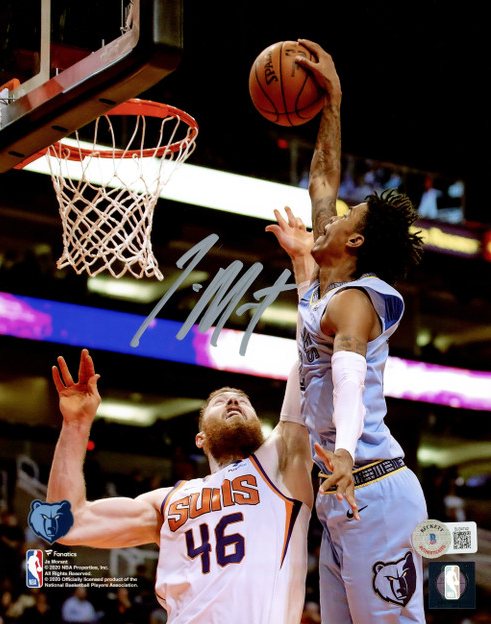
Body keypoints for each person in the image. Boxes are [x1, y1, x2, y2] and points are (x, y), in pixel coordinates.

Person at [267, 40, 428, 624]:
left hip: (371, 489)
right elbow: (323, 178)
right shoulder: (324, 285)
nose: (330, 214)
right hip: (342, 494)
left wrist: (338, 449)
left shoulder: (359, 300)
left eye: (343, 218)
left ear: (354, 243)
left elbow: (349, 372)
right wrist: (332, 101)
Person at [46, 349, 313, 624]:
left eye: (244, 401)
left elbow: (309, 356)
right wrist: (75, 424)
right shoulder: (168, 501)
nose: (233, 400)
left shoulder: (281, 467)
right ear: (201, 439)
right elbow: (69, 524)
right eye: (220, 402)